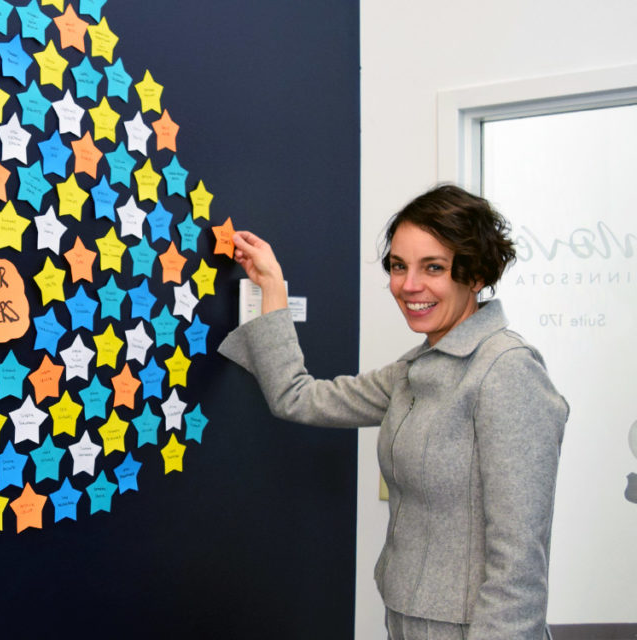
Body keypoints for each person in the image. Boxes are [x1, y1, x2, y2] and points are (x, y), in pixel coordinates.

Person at [218, 185, 568, 640]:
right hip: (405, 618)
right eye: (399, 266)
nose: (408, 286)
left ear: (477, 275)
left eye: (434, 268)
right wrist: (271, 285)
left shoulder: (507, 370)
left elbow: (519, 564)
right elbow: (298, 397)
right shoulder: (416, 368)